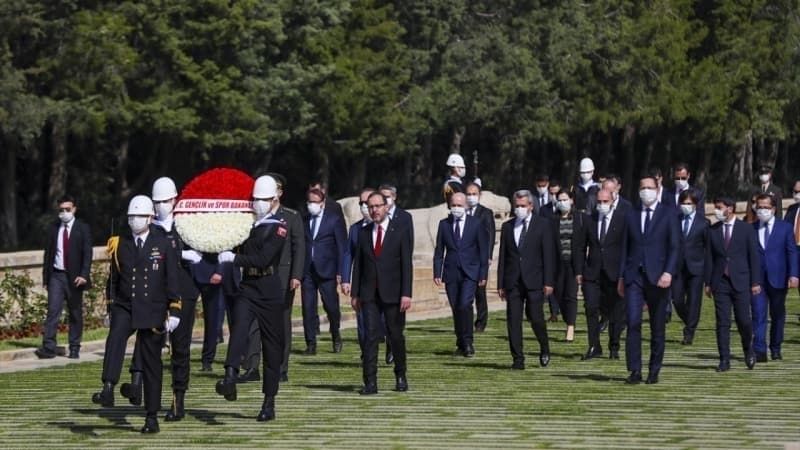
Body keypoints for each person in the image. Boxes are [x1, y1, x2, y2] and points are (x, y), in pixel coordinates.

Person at [93, 195, 182, 434]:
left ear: (150, 218)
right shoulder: (119, 243)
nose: (134, 220)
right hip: (125, 305)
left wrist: (174, 309)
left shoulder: (162, 243)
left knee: (152, 363)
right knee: (115, 338)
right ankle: (108, 387)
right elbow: (114, 278)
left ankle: (151, 416)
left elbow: (172, 278)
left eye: (139, 216)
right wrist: (110, 306)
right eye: (131, 216)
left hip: (152, 308)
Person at [215, 175, 287, 422]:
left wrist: (234, 259)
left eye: (262, 199)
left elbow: (264, 259)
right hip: (248, 286)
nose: (257, 203)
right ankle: (230, 375)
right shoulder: (247, 225)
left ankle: (269, 401)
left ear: (273, 199)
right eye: (254, 199)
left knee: (271, 346)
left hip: (269, 289)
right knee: (239, 329)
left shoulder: (279, 226)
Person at [143, 177, 202, 422]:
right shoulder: (150, 227)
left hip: (183, 292)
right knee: (149, 349)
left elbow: (201, 255)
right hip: (156, 295)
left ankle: (178, 399)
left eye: (165, 201)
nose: (160, 207)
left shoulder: (186, 225)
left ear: (174, 200)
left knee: (180, 348)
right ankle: (148, 398)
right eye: (157, 202)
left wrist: (187, 253)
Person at [240, 172, 305, 383]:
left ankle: (280, 367)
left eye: (275, 188)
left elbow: (299, 247)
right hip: (254, 277)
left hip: (281, 276)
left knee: (281, 323)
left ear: (280, 192)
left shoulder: (291, 216)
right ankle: (252, 366)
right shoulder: (252, 216)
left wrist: (296, 275)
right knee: (252, 323)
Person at [618, 176, 679, 385]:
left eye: (650, 188)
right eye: (642, 187)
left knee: (657, 325)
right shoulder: (631, 214)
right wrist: (621, 277)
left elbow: (675, 246)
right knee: (633, 322)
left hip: (658, 276)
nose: (646, 191)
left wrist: (669, 272)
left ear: (658, 188)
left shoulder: (669, 213)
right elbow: (624, 248)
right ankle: (634, 369)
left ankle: (654, 369)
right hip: (634, 276)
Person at [351, 191, 413, 395]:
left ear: (386, 207)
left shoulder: (400, 231)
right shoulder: (364, 232)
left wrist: (406, 293)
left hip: (393, 293)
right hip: (369, 294)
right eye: (371, 207)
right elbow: (358, 265)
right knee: (369, 337)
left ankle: (400, 375)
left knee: (395, 336)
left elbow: (406, 264)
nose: (374, 210)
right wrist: (355, 293)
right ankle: (370, 381)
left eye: (378, 206)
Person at [497, 190, 556, 370]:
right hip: (513, 281)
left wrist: (549, 281)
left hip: (535, 280)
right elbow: (503, 257)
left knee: (536, 317)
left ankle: (544, 346)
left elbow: (548, 255)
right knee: (513, 320)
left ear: (530, 206)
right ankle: (518, 358)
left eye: (523, 206)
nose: (520, 209)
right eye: (517, 206)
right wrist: (500, 283)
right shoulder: (508, 227)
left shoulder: (542, 225)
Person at [705, 197, 759, 372]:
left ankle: (748, 349)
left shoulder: (746, 229)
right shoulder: (713, 230)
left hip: (741, 280)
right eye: (715, 208)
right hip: (720, 282)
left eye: (719, 208)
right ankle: (724, 359)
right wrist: (708, 283)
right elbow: (709, 259)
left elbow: (753, 257)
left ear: (730, 208)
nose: (717, 211)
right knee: (722, 321)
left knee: (743, 319)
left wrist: (755, 282)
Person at [36, 195, 93, 360]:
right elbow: (49, 254)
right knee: (53, 311)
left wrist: (84, 275)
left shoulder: (82, 228)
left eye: (67, 209)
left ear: (74, 209)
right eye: (61, 210)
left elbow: (87, 254)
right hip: (57, 275)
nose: (64, 212)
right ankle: (48, 347)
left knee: (75, 313)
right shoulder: (54, 228)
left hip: (75, 277)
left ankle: (74, 347)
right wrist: (46, 278)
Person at [573, 189, 627, 360]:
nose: (602, 205)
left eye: (605, 201)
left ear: (612, 200)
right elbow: (581, 247)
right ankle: (594, 345)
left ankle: (614, 346)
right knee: (590, 308)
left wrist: (624, 273)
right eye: (599, 202)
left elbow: (627, 247)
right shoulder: (589, 220)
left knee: (614, 311)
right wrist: (579, 270)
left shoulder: (622, 219)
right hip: (592, 273)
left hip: (614, 272)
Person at [433, 193, 489, 357]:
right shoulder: (444, 224)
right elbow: (439, 250)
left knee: (465, 304)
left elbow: (483, 251)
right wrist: (437, 271)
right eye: (453, 205)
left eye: (459, 205)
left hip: (470, 271)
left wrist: (483, 273)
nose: (456, 208)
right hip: (451, 272)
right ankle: (461, 341)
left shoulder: (476, 224)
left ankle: (468, 342)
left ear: (465, 206)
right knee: (456, 308)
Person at [750, 194, 798, 361]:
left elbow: (792, 252)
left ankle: (776, 347)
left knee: (777, 315)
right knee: (758, 313)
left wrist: (794, 274)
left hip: (778, 277)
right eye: (759, 206)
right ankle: (759, 349)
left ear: (774, 209)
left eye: (766, 207)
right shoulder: (751, 228)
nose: (762, 210)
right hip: (757, 279)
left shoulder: (785, 228)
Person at [300, 187, 347, 354]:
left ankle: (336, 335)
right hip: (307, 271)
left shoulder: (333, 220)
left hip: (327, 271)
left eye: (315, 202)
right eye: (309, 202)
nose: (311, 205)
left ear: (323, 203)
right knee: (308, 308)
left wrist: (342, 271)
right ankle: (310, 344)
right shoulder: (304, 219)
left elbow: (342, 247)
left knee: (331, 307)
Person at [341, 188, 383, 356]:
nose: (365, 207)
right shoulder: (355, 230)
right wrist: (345, 279)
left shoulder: (388, 228)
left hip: (385, 283)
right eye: (362, 203)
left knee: (383, 320)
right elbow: (348, 255)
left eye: (368, 203)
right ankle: (366, 352)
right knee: (363, 320)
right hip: (363, 283)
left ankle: (388, 346)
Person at [671, 189, 710, 345]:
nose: (685, 206)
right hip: (678, 267)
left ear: (695, 205)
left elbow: (708, 248)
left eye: (689, 204)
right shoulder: (674, 220)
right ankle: (690, 320)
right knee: (677, 299)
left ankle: (689, 332)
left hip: (696, 267)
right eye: (683, 203)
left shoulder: (704, 223)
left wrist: (708, 273)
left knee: (694, 300)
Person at [547, 190, 583, 343]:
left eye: (565, 199)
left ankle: (571, 326)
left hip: (573, 263)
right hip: (558, 264)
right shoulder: (552, 220)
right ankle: (566, 317)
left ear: (571, 200)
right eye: (559, 199)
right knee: (559, 294)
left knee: (571, 295)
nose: (562, 202)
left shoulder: (579, 219)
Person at [465, 182, 495, 332]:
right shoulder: (461, 211)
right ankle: (466, 321)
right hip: (465, 258)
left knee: (480, 291)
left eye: (474, 194)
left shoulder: (486, 213)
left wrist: (488, 255)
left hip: (479, 258)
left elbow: (490, 235)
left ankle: (481, 322)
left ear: (479, 195)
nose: (471, 197)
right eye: (468, 194)